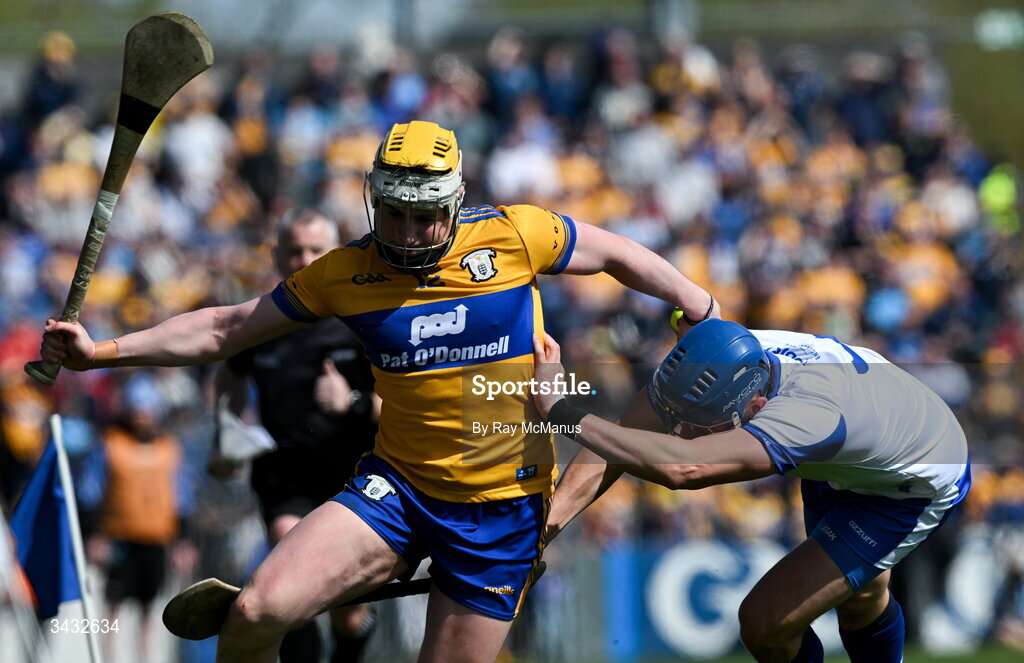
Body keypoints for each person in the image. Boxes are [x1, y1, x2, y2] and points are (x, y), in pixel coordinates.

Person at [38, 119, 717, 663]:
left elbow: (621, 255)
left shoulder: (515, 233)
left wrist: (696, 301)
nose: (405, 233)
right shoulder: (346, 271)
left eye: (424, 217)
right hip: (399, 489)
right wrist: (104, 354)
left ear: (455, 203)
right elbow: (225, 327)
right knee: (251, 612)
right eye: (391, 213)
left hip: (500, 513)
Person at [534, 319, 971, 663]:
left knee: (765, 622)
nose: (682, 430)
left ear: (756, 408)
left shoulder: (804, 418)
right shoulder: (727, 356)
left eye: (695, 425)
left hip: (911, 481)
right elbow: (624, 438)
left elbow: (683, 467)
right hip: (867, 444)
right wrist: (540, 533)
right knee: (862, 598)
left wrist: (561, 410)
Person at [210, 208, 379, 663]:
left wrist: (354, 401)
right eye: (293, 251)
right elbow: (229, 373)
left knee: (346, 612)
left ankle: (350, 644)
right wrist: (226, 432)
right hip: (285, 477)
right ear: (276, 256)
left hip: (356, 479)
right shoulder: (262, 321)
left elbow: (400, 403)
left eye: (314, 250)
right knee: (290, 582)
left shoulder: (363, 321)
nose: (303, 259)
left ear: (335, 254)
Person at [77, 372, 196, 663]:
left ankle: (144, 658)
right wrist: (93, 535)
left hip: (155, 539)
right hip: (120, 537)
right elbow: (91, 491)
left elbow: (181, 496)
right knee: (113, 604)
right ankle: (107, 657)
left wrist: (184, 540)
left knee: (148, 607)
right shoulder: (110, 443)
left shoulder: (170, 448)